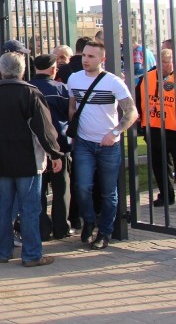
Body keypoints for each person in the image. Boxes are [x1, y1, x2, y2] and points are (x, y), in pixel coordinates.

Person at [0, 52, 64, 267]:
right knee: (30, 209)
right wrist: (54, 153)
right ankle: (32, 254)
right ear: (23, 70)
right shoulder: (31, 93)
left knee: (3, 208)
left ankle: (4, 251)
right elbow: (43, 128)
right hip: (28, 160)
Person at [67, 40, 138, 250]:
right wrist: (73, 129)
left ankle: (104, 232)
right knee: (82, 187)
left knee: (109, 192)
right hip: (83, 143)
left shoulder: (113, 82)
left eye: (91, 57)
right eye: (84, 56)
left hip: (108, 144)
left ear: (102, 59)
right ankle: (89, 221)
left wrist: (115, 132)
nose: (86, 60)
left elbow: (131, 111)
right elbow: (73, 106)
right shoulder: (74, 78)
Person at [135, 48, 176, 211]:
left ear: (174, 63)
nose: (163, 66)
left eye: (167, 62)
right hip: (153, 128)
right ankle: (166, 196)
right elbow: (138, 102)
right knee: (159, 164)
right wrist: (142, 123)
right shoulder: (145, 79)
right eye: (160, 62)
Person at [29, 53, 73, 239]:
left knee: (38, 190)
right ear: (54, 69)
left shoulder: (28, 88)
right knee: (62, 189)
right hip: (59, 145)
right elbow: (69, 114)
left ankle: (42, 228)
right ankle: (61, 227)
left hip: (35, 147)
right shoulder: (61, 89)